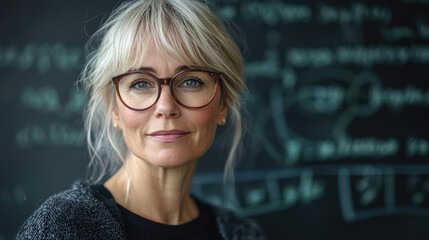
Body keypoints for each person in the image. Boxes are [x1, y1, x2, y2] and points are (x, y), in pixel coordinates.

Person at [16, 0, 266, 239]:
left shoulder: (242, 233)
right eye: (140, 83)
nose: (166, 107)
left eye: (191, 81)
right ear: (114, 108)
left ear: (223, 104)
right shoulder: (63, 227)